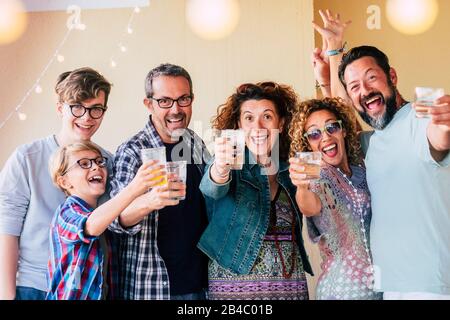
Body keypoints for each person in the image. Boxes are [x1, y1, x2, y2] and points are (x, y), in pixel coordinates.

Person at [313, 10, 450, 299]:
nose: (365, 91)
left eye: (372, 78)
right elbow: (340, 114)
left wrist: (444, 120)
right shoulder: (370, 143)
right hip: (389, 288)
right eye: (355, 87)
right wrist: (334, 49)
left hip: (431, 287)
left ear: (392, 76)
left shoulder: (420, 117)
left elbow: (439, 135)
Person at [0, 68, 112, 300]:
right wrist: (7, 295)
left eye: (96, 109)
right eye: (77, 107)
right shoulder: (27, 158)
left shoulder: (107, 163)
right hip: (33, 287)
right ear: (61, 108)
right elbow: (6, 232)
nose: (87, 117)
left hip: (82, 291)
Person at [198, 82, 313, 300]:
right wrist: (220, 167)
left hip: (291, 286)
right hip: (236, 291)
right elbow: (211, 187)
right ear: (238, 125)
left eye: (267, 117)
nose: (258, 126)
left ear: (281, 123)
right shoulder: (229, 162)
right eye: (249, 118)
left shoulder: (291, 169)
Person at [108, 63, 211, 300]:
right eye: (165, 101)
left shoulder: (195, 143)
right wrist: (150, 200)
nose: (176, 109)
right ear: (149, 104)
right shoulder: (133, 150)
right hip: (154, 287)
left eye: (183, 99)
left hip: (200, 285)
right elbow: (116, 219)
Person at [289, 97, 382, 300]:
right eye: (314, 134)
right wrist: (302, 186)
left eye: (332, 127)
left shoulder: (363, 172)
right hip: (341, 292)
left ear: (344, 130)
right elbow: (309, 206)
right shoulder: (319, 178)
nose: (325, 137)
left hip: (381, 291)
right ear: (309, 144)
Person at [46, 142, 163, 299]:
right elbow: (89, 226)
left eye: (99, 161)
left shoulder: (105, 217)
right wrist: (135, 187)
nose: (96, 167)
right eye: (84, 164)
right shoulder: (66, 212)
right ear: (64, 182)